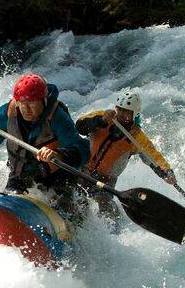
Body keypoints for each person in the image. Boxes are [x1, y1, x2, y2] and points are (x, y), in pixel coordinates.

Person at [0, 73, 90, 217]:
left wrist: (59, 154)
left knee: (65, 209)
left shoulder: (57, 116)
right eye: (22, 104)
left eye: (31, 104)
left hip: (56, 178)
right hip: (20, 176)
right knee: (5, 207)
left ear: (43, 101)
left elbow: (82, 149)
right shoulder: (9, 110)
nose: (26, 109)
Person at [75, 90, 179, 223]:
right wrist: (100, 121)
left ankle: (109, 226)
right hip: (81, 168)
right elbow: (79, 126)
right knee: (74, 193)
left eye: (127, 112)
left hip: (105, 180)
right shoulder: (102, 116)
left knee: (103, 206)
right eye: (120, 109)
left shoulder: (136, 136)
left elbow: (152, 156)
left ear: (134, 114)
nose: (122, 115)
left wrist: (166, 171)